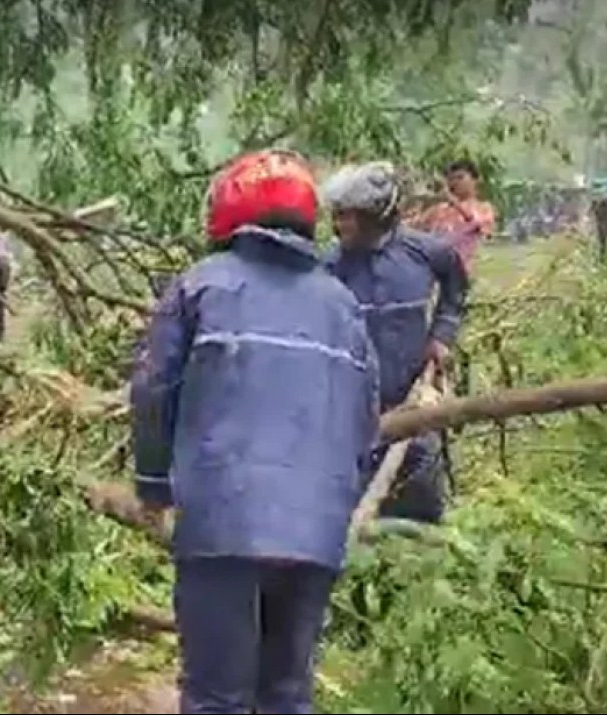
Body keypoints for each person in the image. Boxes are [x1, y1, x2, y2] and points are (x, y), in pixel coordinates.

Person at [131, 149, 380, 714]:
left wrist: (152, 485)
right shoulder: (343, 306)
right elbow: (365, 424)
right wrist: (337, 504)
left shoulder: (199, 287)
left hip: (222, 524)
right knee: (286, 696)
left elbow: (153, 391)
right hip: (315, 533)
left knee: (216, 697)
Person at [323, 161, 469, 524]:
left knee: (421, 504)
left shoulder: (426, 253)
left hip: (414, 405)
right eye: (336, 215)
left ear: (378, 216)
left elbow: (456, 286)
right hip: (350, 417)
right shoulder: (327, 267)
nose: (339, 225)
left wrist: (442, 336)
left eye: (348, 216)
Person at [408, 159, 496, 279]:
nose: (454, 183)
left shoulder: (483, 208)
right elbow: (411, 229)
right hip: (433, 273)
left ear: (475, 180)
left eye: (460, 178)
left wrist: (453, 202)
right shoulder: (439, 209)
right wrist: (417, 202)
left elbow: (478, 224)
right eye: (451, 179)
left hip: (463, 274)